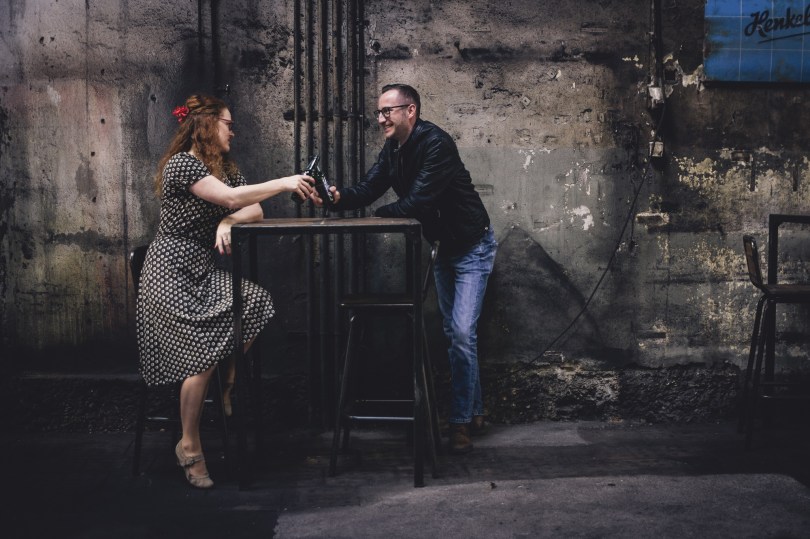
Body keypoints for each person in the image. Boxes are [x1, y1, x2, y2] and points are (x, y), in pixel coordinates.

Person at [136, 94, 314, 488]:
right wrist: (284, 182)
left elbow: (254, 209)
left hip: (202, 269)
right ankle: (189, 444)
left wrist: (228, 222)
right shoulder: (182, 164)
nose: (233, 132)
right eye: (227, 124)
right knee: (202, 357)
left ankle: (227, 383)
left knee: (255, 299)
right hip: (169, 273)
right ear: (206, 125)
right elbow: (233, 198)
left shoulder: (225, 168)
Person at [318, 83, 497, 454]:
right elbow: (368, 188)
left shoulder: (436, 144)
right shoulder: (393, 150)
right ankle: (475, 410)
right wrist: (336, 198)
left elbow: (417, 202)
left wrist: (378, 214)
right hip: (444, 247)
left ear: (410, 110)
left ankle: (460, 421)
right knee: (456, 334)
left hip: (473, 248)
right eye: (379, 112)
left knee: (461, 333)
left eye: (387, 111)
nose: (380, 118)